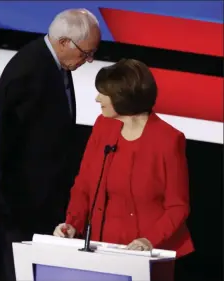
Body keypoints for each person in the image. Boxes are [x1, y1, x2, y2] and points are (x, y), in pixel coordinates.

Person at [53, 58, 194, 279]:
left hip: (150, 255)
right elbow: (84, 186)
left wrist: (148, 240)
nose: (97, 98)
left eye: (104, 93)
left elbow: (178, 206)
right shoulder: (103, 126)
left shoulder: (168, 140)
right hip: (102, 250)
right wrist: (72, 224)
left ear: (123, 96)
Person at [0, 8, 101, 281]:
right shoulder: (29, 70)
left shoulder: (52, 64)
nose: (88, 60)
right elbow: (9, 141)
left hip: (46, 201)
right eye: (86, 53)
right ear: (64, 42)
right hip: (24, 204)